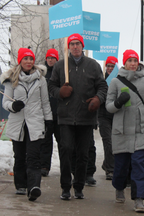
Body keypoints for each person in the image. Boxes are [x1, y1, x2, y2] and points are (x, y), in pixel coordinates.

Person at [48, 33, 107, 200]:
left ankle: (79, 186)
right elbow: (51, 85)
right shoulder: (61, 66)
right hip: (66, 116)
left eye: (78, 44)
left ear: (82, 46)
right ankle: (65, 187)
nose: (75, 47)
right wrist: (59, 92)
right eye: (72, 44)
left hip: (86, 116)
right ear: (68, 47)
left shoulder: (93, 65)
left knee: (83, 153)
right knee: (66, 150)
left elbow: (102, 86)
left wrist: (98, 99)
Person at [106, 49, 144, 213]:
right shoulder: (115, 82)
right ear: (124, 63)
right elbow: (108, 107)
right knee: (121, 166)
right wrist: (118, 103)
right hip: (121, 131)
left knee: (139, 165)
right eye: (130, 60)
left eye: (135, 61)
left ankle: (139, 199)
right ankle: (119, 188)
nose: (133, 64)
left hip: (141, 131)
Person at [0, 48, 53, 201]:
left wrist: (48, 119)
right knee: (20, 156)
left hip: (35, 122)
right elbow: (6, 102)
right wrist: (13, 106)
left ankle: (34, 187)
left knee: (34, 156)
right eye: (26, 59)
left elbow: (45, 102)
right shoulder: (12, 79)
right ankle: (21, 185)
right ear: (20, 61)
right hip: (18, 123)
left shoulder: (41, 79)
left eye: (31, 59)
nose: (29, 62)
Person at [40, 48, 61, 177]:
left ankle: (65, 165)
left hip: (59, 113)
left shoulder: (61, 73)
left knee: (62, 142)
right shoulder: (42, 74)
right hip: (46, 113)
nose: (51, 60)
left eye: (53, 58)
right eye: (49, 58)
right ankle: (44, 166)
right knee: (45, 141)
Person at [99, 56, 118, 180]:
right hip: (103, 115)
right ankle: (110, 170)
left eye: (112, 66)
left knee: (115, 143)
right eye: (108, 66)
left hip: (116, 115)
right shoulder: (101, 80)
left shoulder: (119, 80)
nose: (110, 68)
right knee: (108, 142)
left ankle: (107, 163)